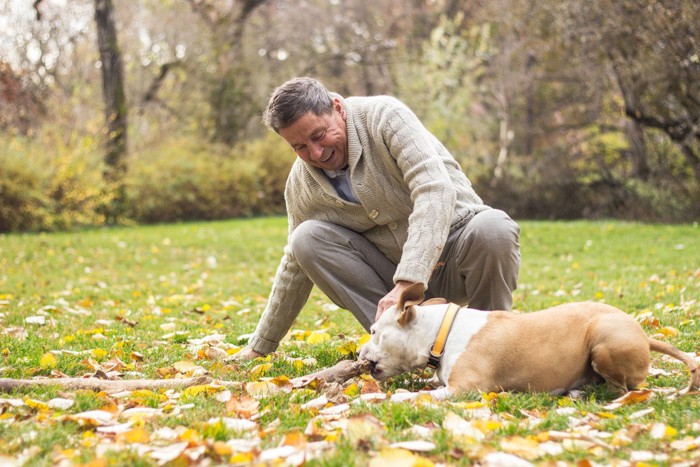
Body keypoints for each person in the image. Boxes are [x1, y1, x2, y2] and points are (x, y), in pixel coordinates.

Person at [233, 77, 520, 361]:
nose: (316, 153)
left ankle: (489, 346)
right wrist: (262, 344)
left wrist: (408, 282)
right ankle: (400, 340)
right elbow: (294, 266)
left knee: (494, 228)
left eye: (318, 136)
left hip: (456, 253)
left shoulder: (386, 117)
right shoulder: (301, 185)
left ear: (337, 108)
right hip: (389, 282)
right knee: (304, 239)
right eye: (300, 147)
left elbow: (433, 188)